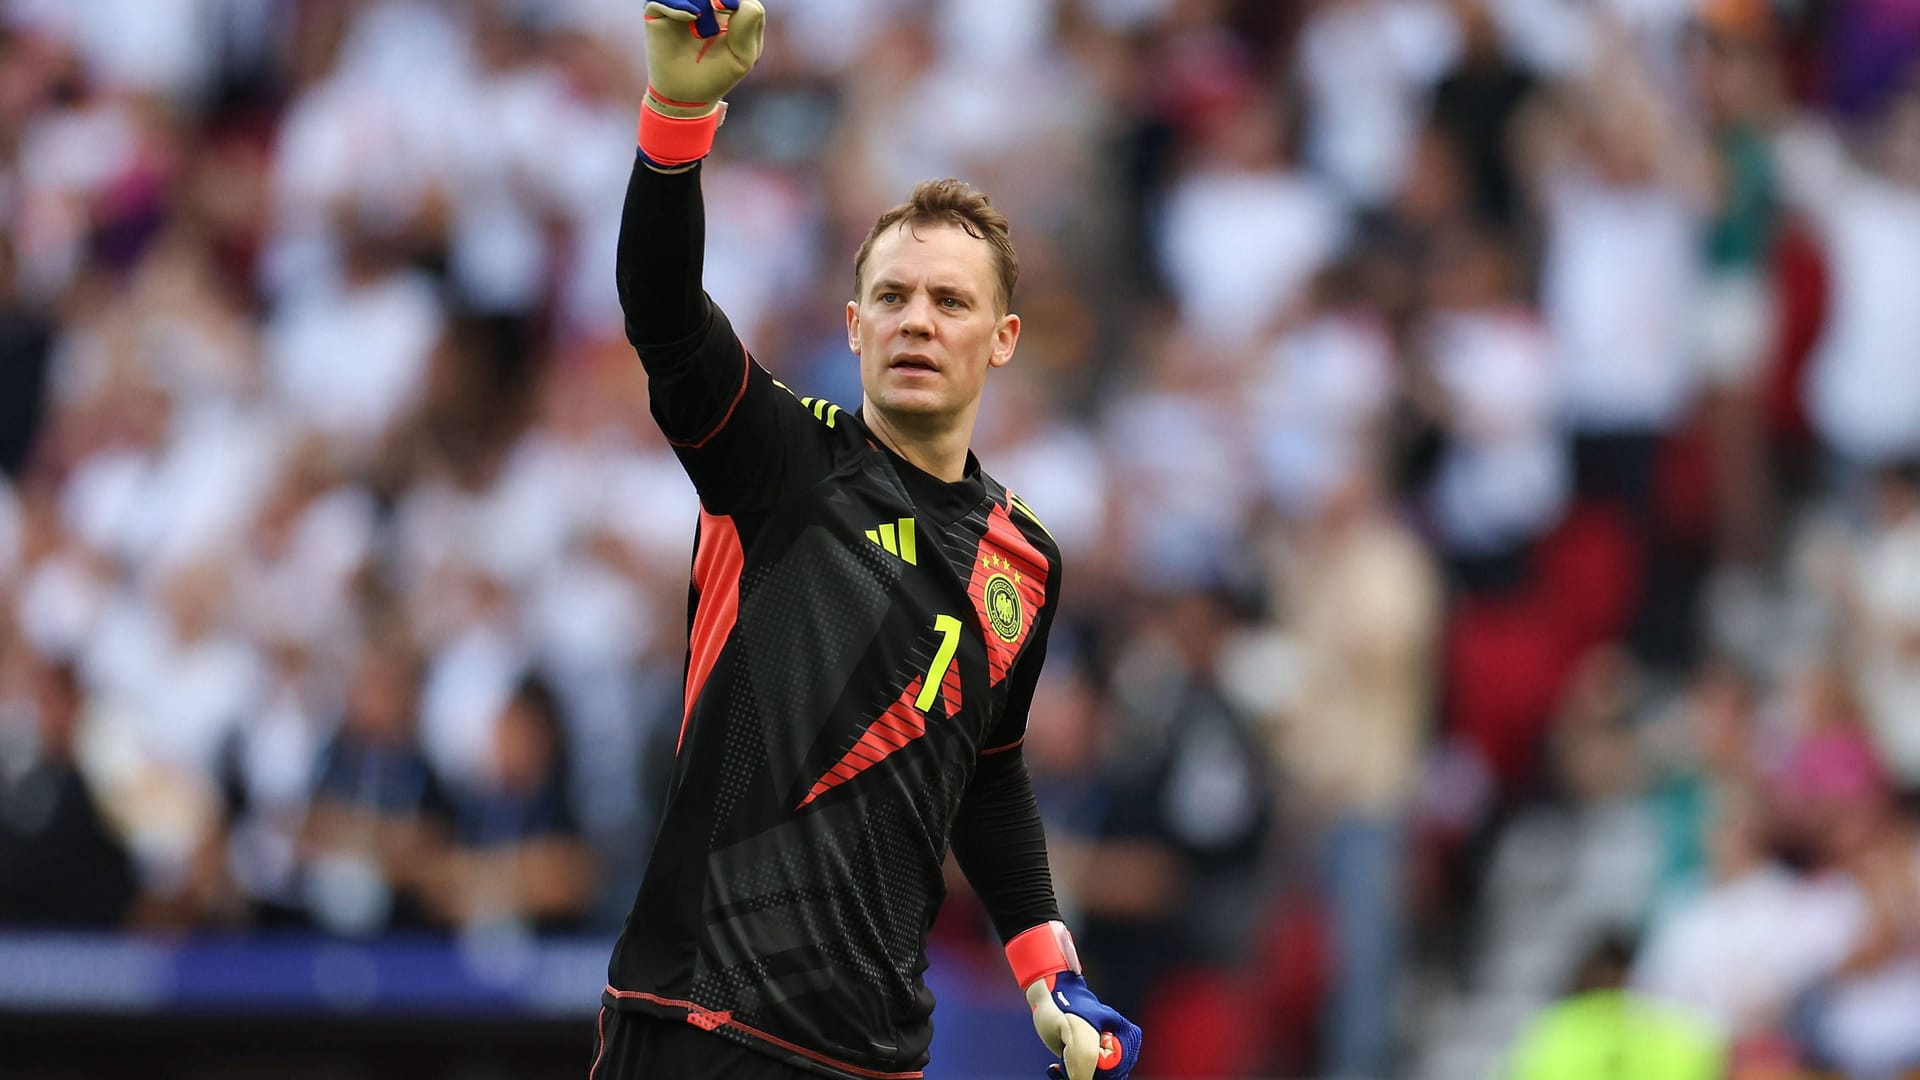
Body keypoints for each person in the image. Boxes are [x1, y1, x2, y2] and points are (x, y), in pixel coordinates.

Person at [591, 4, 1142, 1080]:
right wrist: (679, 113)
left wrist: (1048, 972)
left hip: (876, 1056)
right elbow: (659, 311)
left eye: (949, 301)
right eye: (890, 296)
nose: (917, 321)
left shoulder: (1022, 562)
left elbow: (987, 771)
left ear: (1003, 340)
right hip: (701, 1026)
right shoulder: (781, 462)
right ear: (853, 327)